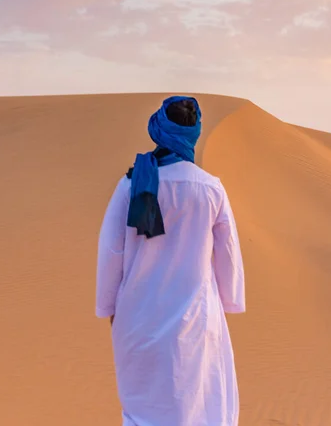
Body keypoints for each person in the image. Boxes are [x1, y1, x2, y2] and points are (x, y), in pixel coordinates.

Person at [96, 95, 245, 426]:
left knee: (142, 412)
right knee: (201, 407)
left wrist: (109, 308)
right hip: (197, 318)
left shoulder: (132, 183)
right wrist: (230, 300)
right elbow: (228, 254)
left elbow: (111, 250)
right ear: (195, 134)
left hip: (138, 316)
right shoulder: (210, 189)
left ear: (159, 128)